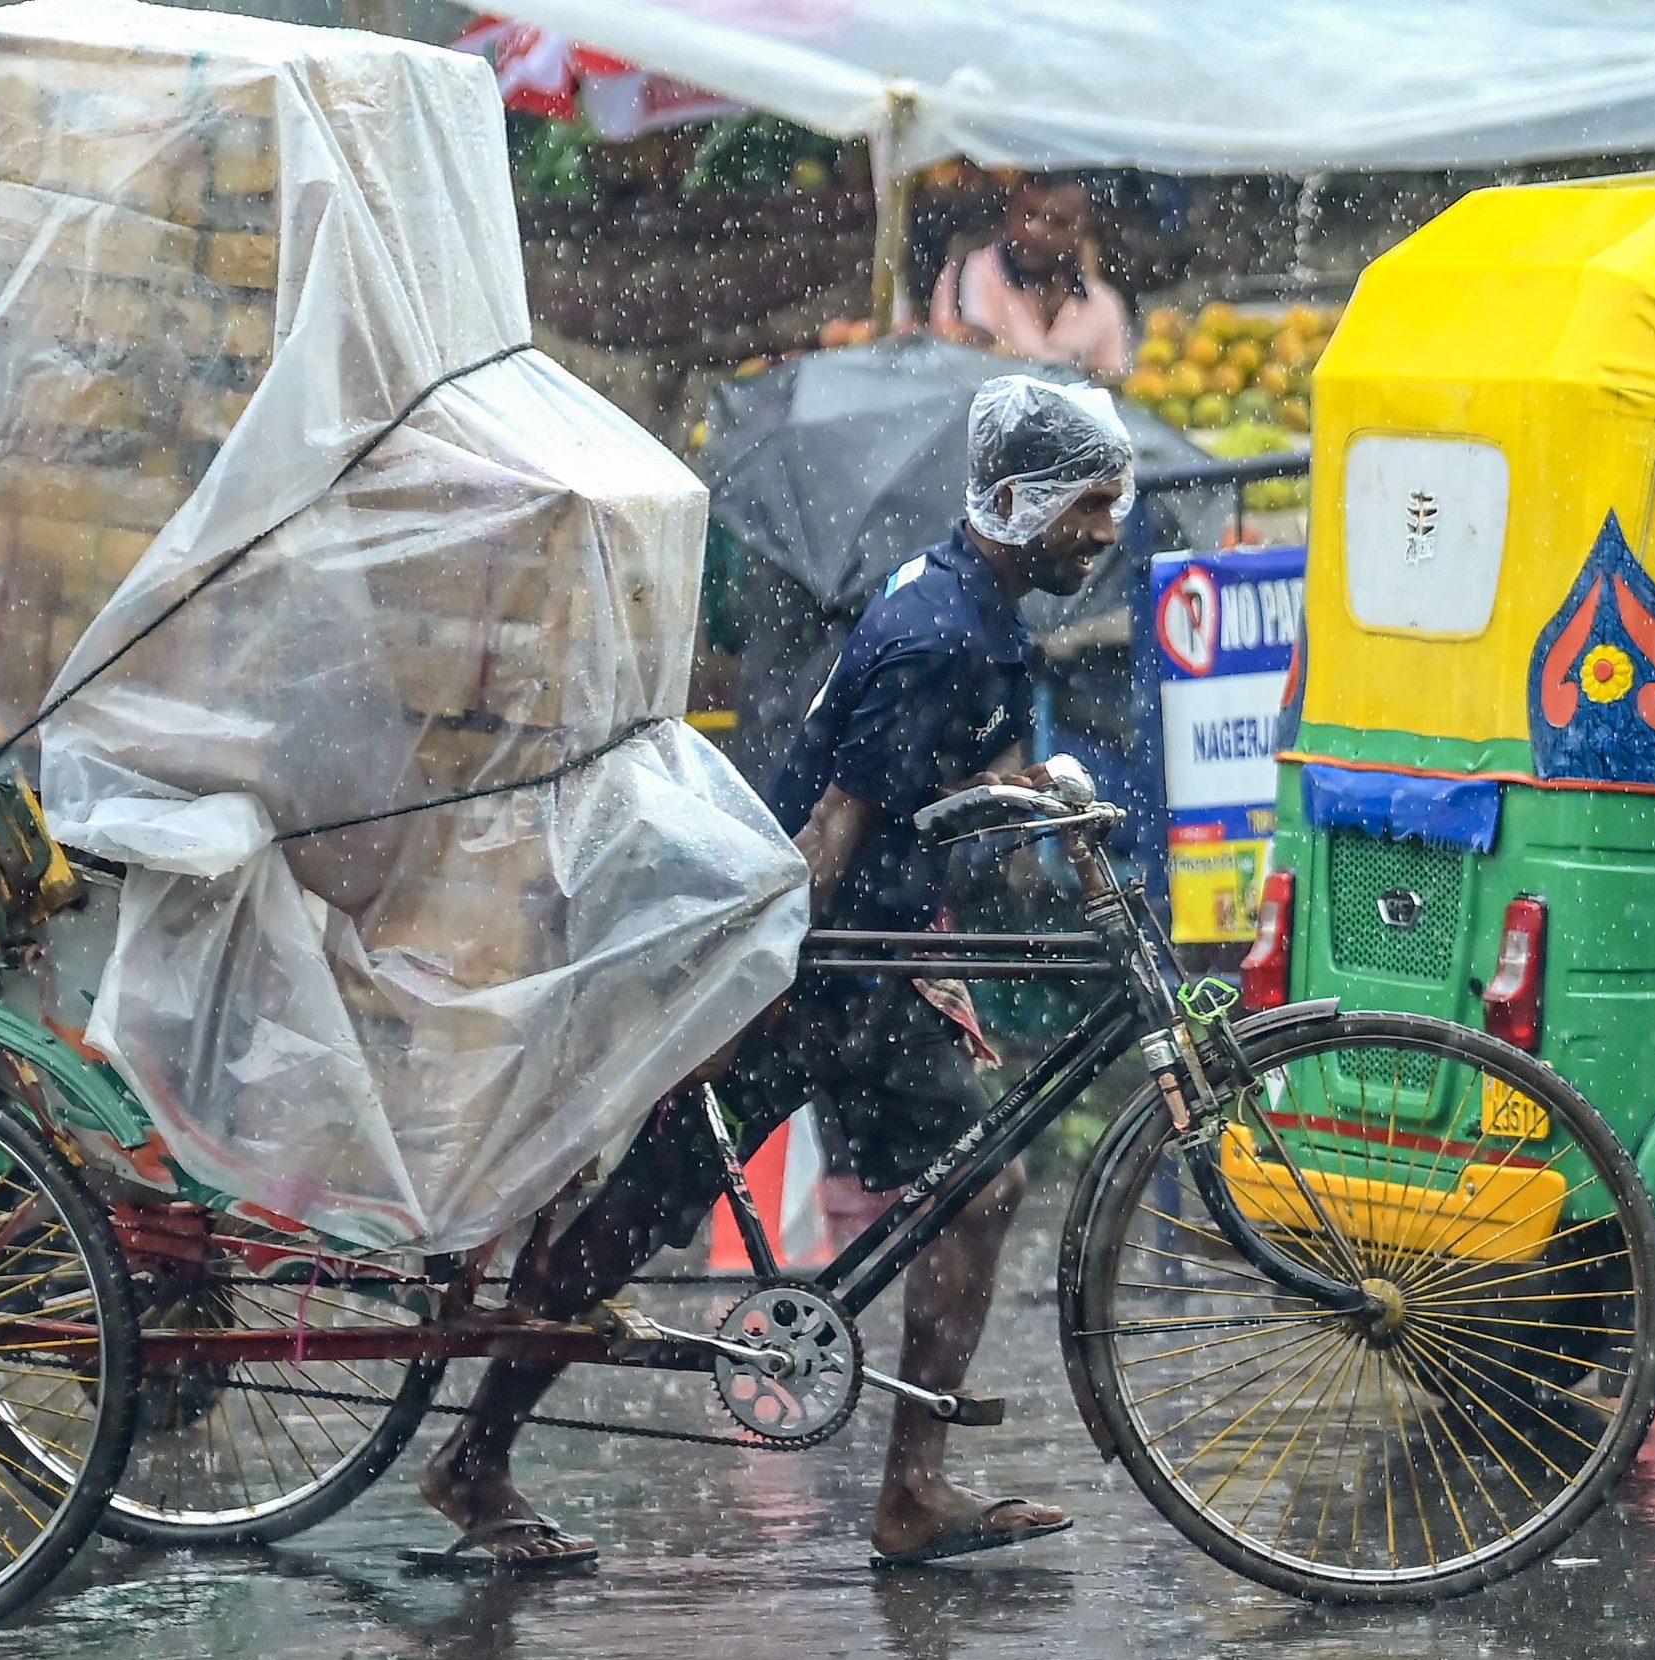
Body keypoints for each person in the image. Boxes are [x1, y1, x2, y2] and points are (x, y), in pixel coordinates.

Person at [413, 376, 1135, 1571]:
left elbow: (946, 783)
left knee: (979, 1190)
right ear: (1017, 502)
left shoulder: (972, 603)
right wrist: (730, 1006)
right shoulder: (937, 636)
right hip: (809, 981)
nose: (1106, 533)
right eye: (1090, 508)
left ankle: (912, 1488)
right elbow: (833, 835)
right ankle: (474, 1459)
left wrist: (1019, 837)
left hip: (868, 971)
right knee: (629, 1223)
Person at [929, 174, 1131, 377]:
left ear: (1083, 232)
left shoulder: (1104, 305)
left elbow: (1108, 390)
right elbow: (969, 366)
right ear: (1007, 214)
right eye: (1029, 215)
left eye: (1058, 222)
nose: (1038, 232)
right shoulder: (972, 272)